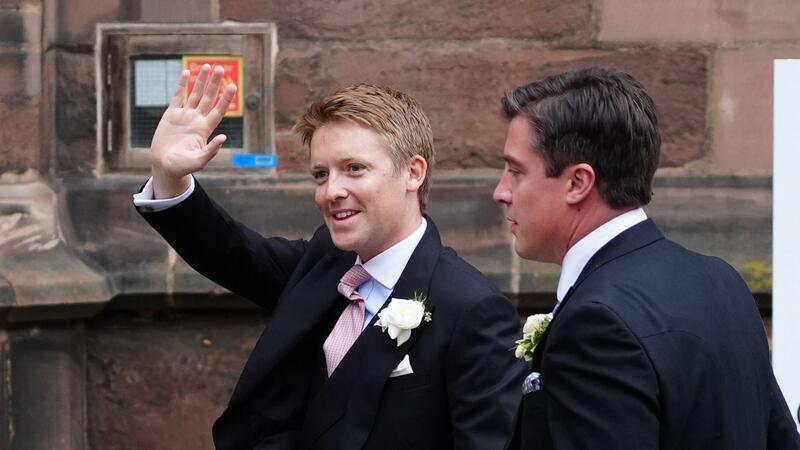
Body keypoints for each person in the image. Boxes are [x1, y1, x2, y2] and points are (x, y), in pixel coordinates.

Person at [133, 64, 525, 449]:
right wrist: (169, 175)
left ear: (413, 173)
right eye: (321, 174)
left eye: (354, 168)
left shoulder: (474, 310)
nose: (331, 191)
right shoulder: (325, 260)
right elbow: (230, 252)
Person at [494, 66, 800, 449]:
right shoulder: (720, 280)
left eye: (515, 171)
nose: (501, 192)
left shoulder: (596, 323)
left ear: (577, 183)